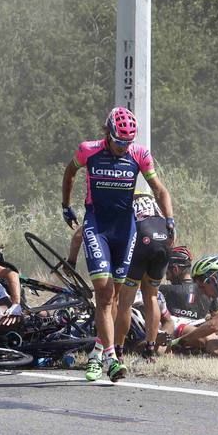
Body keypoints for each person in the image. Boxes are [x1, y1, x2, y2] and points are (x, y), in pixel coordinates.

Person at [61, 106, 174, 382]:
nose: (124, 147)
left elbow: (159, 189)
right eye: (119, 141)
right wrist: (66, 206)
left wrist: (170, 218)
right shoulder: (88, 150)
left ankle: (98, 352)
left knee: (115, 298)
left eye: (128, 142)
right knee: (103, 291)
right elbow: (69, 174)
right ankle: (112, 358)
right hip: (97, 227)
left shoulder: (139, 154)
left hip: (126, 231)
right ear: (108, 134)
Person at [114, 192, 172, 363]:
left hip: (142, 237)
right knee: (151, 296)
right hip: (164, 239)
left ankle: (118, 351)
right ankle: (150, 350)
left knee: (125, 301)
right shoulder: (156, 204)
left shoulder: (124, 200)